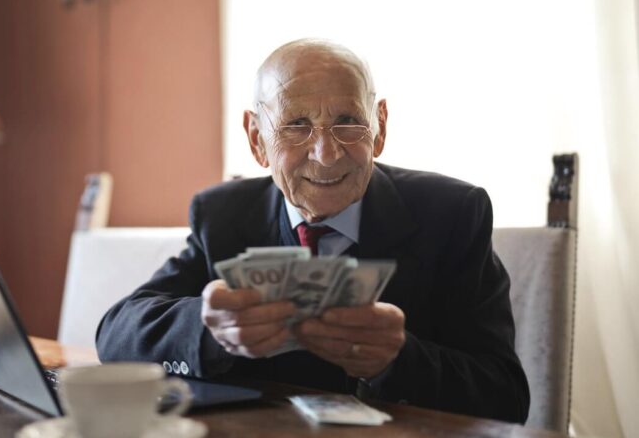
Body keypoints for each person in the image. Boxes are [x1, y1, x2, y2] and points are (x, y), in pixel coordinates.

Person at [96, 39, 530, 423]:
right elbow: (116, 335)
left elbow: (507, 398)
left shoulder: (452, 214)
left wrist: (398, 360)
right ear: (256, 139)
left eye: (347, 121)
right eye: (296, 125)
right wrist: (211, 331)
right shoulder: (224, 215)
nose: (325, 154)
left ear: (379, 127)